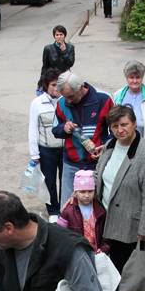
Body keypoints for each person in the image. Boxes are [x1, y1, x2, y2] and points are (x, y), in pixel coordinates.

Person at [96, 105, 145, 291]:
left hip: (135, 223)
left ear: (134, 124)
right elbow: (101, 175)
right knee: (117, 264)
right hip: (111, 218)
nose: (119, 130)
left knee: (141, 267)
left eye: (124, 124)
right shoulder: (109, 146)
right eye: (115, 126)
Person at [52, 71, 114, 203]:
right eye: (64, 96)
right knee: (67, 207)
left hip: (97, 164)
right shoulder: (61, 103)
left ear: (81, 88)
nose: (68, 100)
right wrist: (63, 128)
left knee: (97, 206)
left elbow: (115, 130)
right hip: (71, 164)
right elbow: (55, 130)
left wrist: (106, 147)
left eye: (71, 96)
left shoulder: (103, 99)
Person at [28, 68, 64, 223]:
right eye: (53, 85)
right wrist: (34, 154)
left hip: (65, 149)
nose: (57, 89)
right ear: (46, 86)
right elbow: (32, 129)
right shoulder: (37, 103)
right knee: (49, 181)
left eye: (59, 85)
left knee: (66, 179)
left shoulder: (66, 101)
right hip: (46, 150)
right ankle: (53, 210)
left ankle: (64, 208)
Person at [57, 169, 110, 254]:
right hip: (76, 253)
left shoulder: (100, 210)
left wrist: (103, 248)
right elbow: (60, 233)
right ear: (75, 192)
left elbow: (105, 234)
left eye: (90, 191)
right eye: (82, 192)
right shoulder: (68, 211)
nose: (87, 195)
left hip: (96, 252)